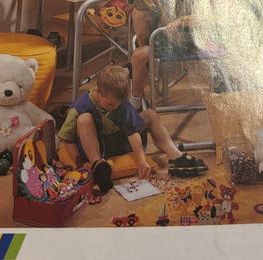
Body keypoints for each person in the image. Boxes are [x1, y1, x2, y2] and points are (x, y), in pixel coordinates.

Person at [57, 65, 208, 193]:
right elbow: (67, 139)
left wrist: (141, 160)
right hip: (95, 146)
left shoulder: (119, 103)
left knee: (150, 114)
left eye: (118, 104)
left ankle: (175, 155)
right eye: (110, 104)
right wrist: (79, 163)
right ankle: (98, 165)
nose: (115, 107)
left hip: (118, 141)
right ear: (97, 92)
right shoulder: (80, 106)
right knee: (84, 119)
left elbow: (132, 131)